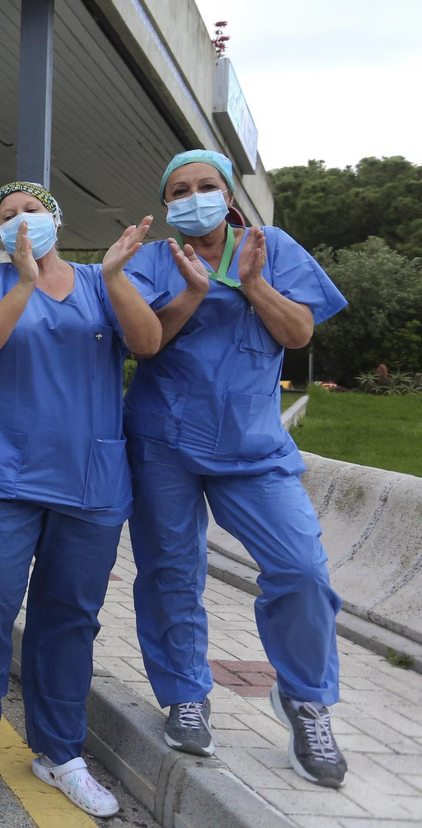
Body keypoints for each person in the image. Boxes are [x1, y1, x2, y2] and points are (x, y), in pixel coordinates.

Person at [0, 182, 159, 816]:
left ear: (57, 219)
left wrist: (115, 276)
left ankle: (61, 752)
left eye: (32, 211)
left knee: (69, 619)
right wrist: (25, 283)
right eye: (7, 216)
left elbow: (145, 343)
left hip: (88, 482)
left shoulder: (98, 279)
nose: (21, 222)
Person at [125, 150, 350, 788]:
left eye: (205, 186)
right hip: (164, 439)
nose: (193, 197)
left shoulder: (269, 246)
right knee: (171, 571)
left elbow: (299, 331)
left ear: (227, 195)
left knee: (301, 568)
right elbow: (143, 342)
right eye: (179, 190)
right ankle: (185, 693)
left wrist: (253, 285)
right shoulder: (152, 262)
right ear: (168, 205)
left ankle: (306, 700)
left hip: (253, 447)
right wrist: (195, 293)